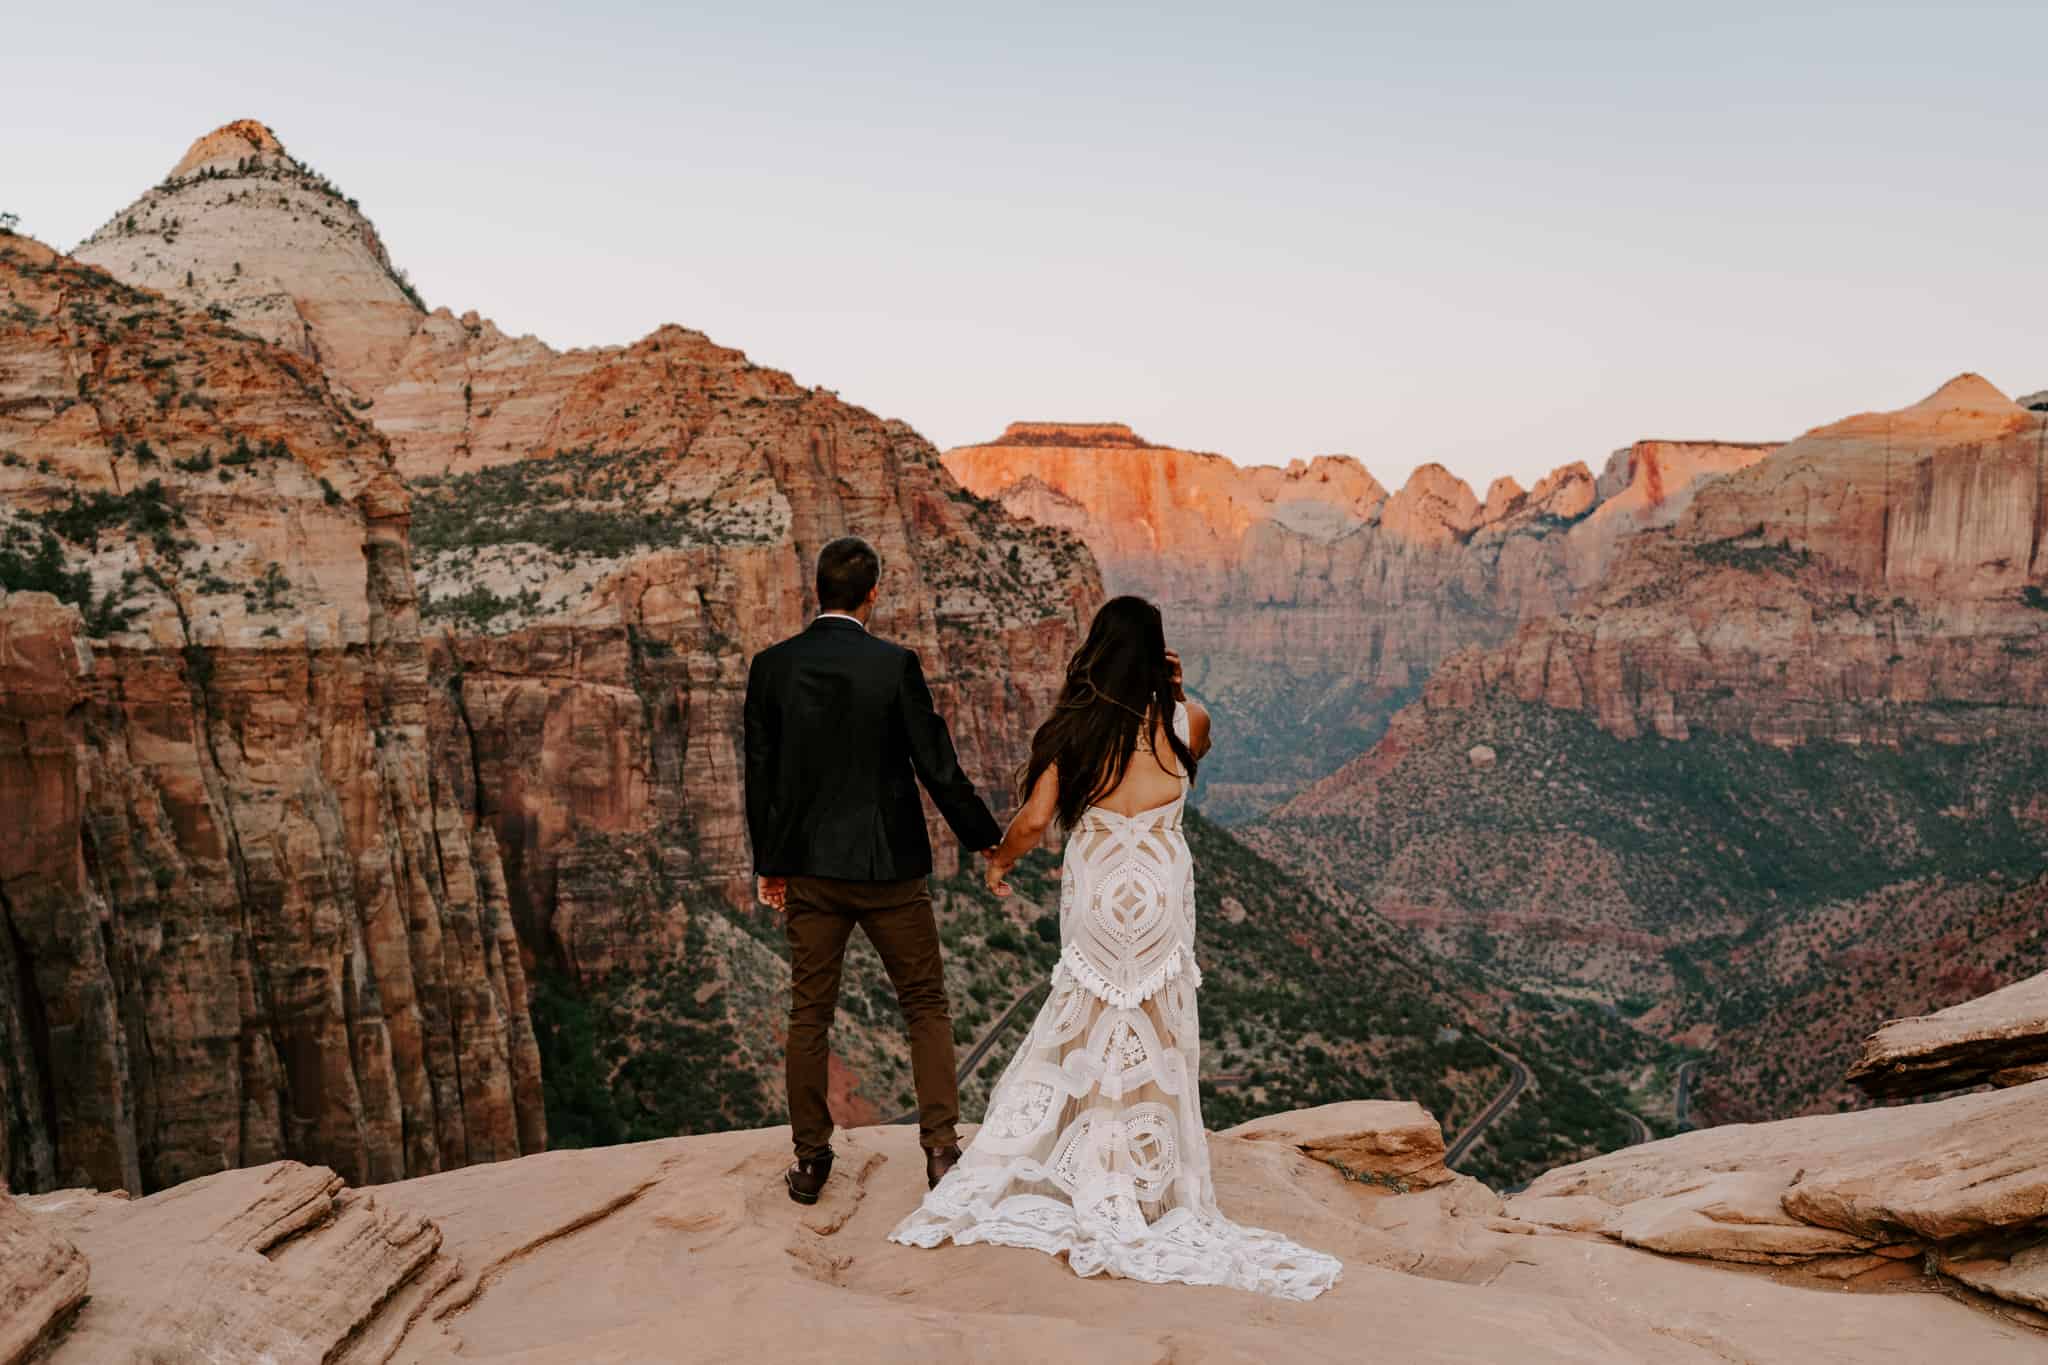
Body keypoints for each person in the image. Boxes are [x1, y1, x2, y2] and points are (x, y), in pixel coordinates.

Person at [887, 594, 1342, 1299]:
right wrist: (1180, 691)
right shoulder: (1187, 719)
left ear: (1097, 651)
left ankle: (1085, 1161)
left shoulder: (1076, 729)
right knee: (1157, 1023)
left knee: (1087, 1015)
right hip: (1158, 896)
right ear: (1159, 654)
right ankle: (1149, 1174)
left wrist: (1001, 859)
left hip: (1100, 894)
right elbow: (1200, 752)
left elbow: (1037, 818)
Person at [743, 535, 1002, 1206]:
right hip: (890, 869)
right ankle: (942, 1150)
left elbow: (761, 777)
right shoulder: (895, 666)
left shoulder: (771, 667)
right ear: (872, 594)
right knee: (925, 1004)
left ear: (816, 591)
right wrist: (985, 839)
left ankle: (809, 1159)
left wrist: (769, 863)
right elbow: (936, 765)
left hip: (809, 870)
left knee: (809, 1011)